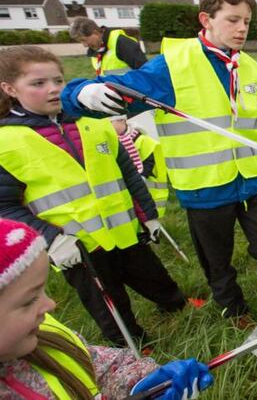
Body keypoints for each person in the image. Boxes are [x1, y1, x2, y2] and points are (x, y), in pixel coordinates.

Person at [61, 0, 257, 327]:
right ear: (206, 19)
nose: (242, 29)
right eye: (232, 19)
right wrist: (80, 93)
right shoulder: (174, 65)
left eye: (246, 21)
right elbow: (127, 87)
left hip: (254, 180)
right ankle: (233, 308)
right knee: (218, 260)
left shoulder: (252, 68)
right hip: (205, 188)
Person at [0, 45, 188, 350]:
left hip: (125, 231)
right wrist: (51, 240)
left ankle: (175, 303)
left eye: (58, 81)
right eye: (38, 83)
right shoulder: (5, 143)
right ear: (9, 89)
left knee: (152, 275)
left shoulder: (93, 123)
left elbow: (127, 173)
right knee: (107, 301)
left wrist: (148, 215)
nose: (52, 90)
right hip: (78, 246)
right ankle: (131, 342)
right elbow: (5, 208)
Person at [0, 218, 213, 399]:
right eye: (28, 300)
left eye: (44, 291)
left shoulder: (46, 331)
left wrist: (139, 382)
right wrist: (52, 235)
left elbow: (99, 366)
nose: (51, 305)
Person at [110, 115, 170, 218]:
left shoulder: (142, 140)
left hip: (144, 185)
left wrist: (142, 175)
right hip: (123, 186)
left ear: (122, 120)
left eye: (110, 123)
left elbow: (150, 160)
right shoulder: (110, 142)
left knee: (145, 214)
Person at [70, 17, 147, 76]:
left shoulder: (122, 42)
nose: (85, 45)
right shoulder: (94, 51)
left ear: (95, 33)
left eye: (84, 40)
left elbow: (145, 73)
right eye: (80, 42)